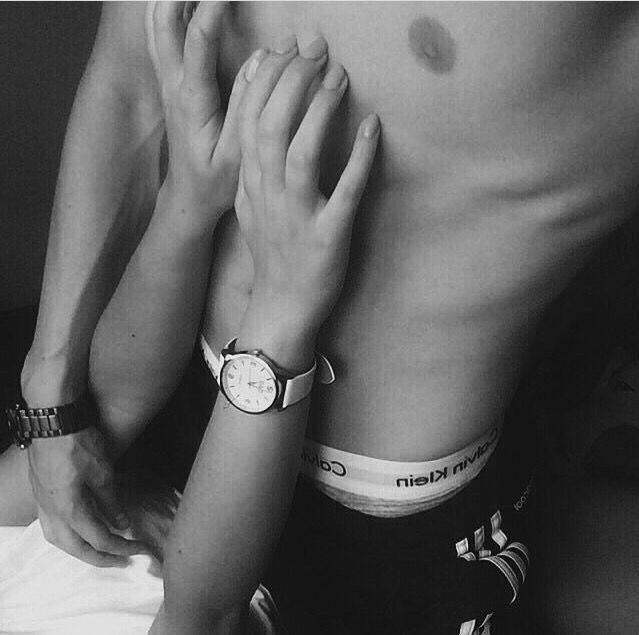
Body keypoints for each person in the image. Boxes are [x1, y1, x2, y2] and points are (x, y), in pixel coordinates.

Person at [12, 1, 639, 633]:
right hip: (348, 497)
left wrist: (54, 399)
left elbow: (130, 73)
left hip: (172, 383)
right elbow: (201, 614)